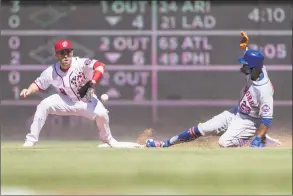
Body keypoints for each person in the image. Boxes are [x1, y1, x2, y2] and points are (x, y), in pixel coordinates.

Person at [146, 32, 279, 148]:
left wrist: (259, 136)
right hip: (236, 112)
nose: (242, 66)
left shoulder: (264, 91)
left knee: (224, 143)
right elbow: (252, 59)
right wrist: (245, 47)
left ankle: (260, 139)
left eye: (245, 65)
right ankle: (165, 144)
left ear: (254, 68)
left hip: (249, 122)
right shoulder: (255, 70)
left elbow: (266, 120)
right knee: (201, 128)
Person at [20, 40, 142, 148]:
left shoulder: (80, 63)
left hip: (85, 100)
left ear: (72, 53)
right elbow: (38, 84)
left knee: (102, 114)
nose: (66, 55)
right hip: (65, 100)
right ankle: (30, 141)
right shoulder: (51, 71)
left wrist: (93, 81)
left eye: (68, 52)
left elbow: (100, 66)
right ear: (56, 55)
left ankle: (108, 139)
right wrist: (28, 90)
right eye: (62, 52)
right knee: (44, 105)